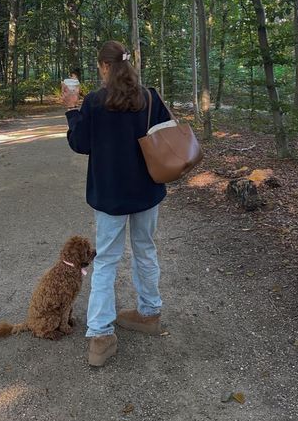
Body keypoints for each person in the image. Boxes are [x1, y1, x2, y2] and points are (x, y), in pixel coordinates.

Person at [62, 40, 171, 367]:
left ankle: (100, 335)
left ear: (105, 67)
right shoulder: (149, 97)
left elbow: (80, 144)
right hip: (147, 192)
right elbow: (166, 137)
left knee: (107, 260)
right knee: (145, 249)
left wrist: (70, 107)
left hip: (110, 196)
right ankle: (149, 313)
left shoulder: (95, 102)